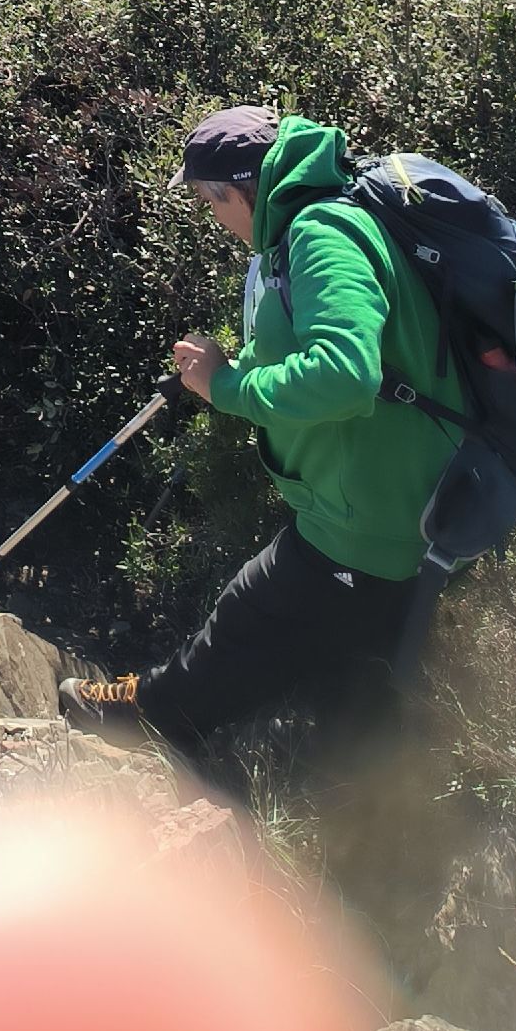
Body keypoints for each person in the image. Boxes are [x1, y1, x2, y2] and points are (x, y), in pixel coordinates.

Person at [61, 106, 465, 779]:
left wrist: (227, 387)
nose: (212, 216)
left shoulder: (320, 234)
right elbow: (312, 345)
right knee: (351, 681)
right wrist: (228, 367)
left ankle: (148, 716)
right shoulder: (317, 218)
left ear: (240, 192)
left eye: (209, 201)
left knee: (249, 616)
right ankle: (361, 805)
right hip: (397, 507)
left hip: (365, 526)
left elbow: (346, 373)